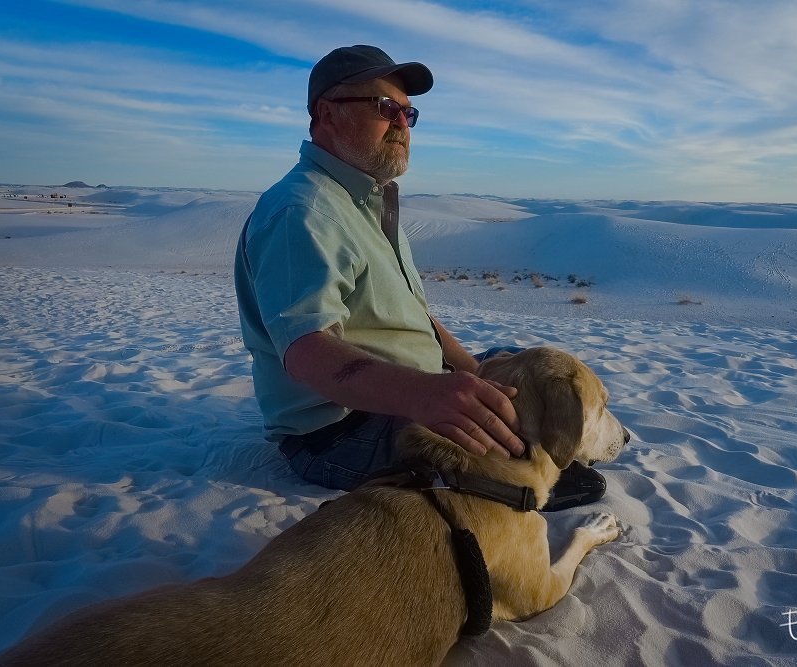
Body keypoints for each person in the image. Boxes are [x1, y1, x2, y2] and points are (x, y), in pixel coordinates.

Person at [235, 45, 605, 508]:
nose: (401, 124)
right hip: (338, 432)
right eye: (385, 108)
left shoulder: (367, 202)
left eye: (408, 114)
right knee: (547, 448)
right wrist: (427, 394)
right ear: (327, 114)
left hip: (411, 389)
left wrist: (472, 373)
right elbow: (307, 352)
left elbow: (415, 318)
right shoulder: (303, 212)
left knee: (534, 372)